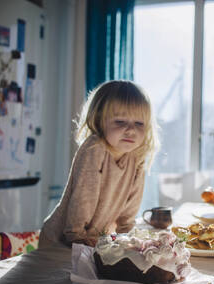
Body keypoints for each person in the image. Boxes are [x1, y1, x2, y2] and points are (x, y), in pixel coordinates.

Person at [39, 80, 159, 248]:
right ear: (99, 119)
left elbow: (130, 209)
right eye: (120, 121)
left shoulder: (136, 157)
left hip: (92, 241)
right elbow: (84, 197)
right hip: (61, 240)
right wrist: (76, 235)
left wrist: (127, 235)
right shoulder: (95, 148)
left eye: (139, 123)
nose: (131, 130)